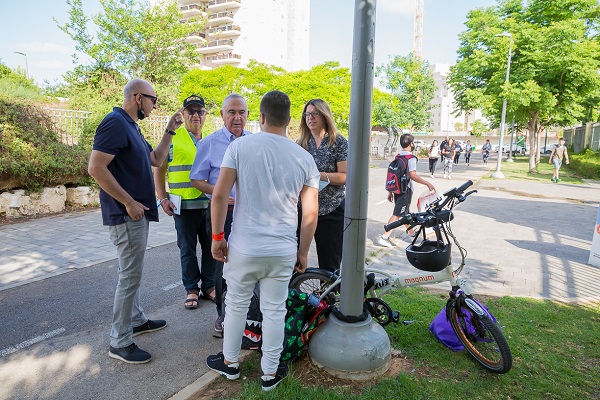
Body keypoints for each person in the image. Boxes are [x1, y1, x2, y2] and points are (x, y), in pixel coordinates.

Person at [206, 90, 319, 391]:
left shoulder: (241, 147)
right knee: (274, 309)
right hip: (282, 248)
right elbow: (311, 211)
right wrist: (303, 252)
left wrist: (218, 237)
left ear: (262, 116)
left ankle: (230, 364)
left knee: (236, 305)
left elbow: (219, 195)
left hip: (244, 246)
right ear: (291, 120)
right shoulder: (305, 158)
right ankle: (270, 373)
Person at [88, 79, 182, 364]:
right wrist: (128, 202)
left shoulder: (131, 126)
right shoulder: (115, 123)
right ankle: (119, 341)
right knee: (129, 277)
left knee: (132, 272)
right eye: (154, 100)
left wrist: (169, 130)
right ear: (138, 97)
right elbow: (95, 168)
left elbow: (155, 159)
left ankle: (137, 321)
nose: (156, 105)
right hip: (126, 214)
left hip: (136, 213)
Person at [190, 94, 252, 337]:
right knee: (222, 266)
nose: (237, 117)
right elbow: (196, 179)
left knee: (248, 264)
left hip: (248, 215)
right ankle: (222, 316)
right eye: (232, 112)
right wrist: (219, 193)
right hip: (221, 214)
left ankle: (248, 315)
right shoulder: (209, 143)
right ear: (222, 115)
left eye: (242, 112)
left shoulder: (254, 142)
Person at [153, 95, 215, 311]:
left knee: (210, 247)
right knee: (187, 249)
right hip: (183, 206)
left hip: (208, 204)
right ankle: (191, 289)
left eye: (200, 111)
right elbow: (158, 167)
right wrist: (162, 198)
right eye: (191, 111)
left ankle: (209, 286)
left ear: (205, 115)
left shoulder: (211, 139)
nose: (196, 115)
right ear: (184, 114)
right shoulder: (173, 138)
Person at [296, 99, 348, 273]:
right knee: (294, 257)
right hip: (303, 209)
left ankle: (328, 298)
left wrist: (318, 175)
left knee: (329, 263)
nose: (310, 118)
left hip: (331, 210)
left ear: (325, 115)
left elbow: (345, 177)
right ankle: (291, 296)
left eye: (314, 113)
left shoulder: (338, 142)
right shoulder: (301, 143)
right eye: (307, 114)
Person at [378, 133, 435, 247]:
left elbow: (394, 175)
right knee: (398, 214)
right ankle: (385, 237)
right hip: (405, 190)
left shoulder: (398, 156)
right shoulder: (411, 158)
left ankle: (412, 235)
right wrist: (427, 183)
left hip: (397, 189)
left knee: (406, 213)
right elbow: (413, 175)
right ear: (411, 144)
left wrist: (391, 191)